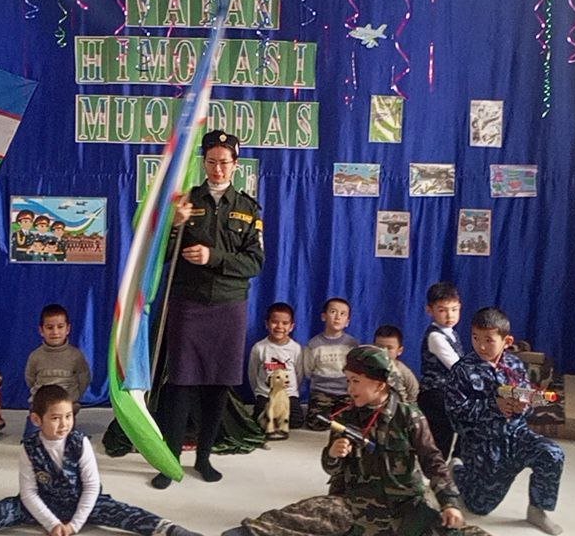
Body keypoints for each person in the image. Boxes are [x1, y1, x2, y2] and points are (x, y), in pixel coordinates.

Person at [219, 346, 472, 536]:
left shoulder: (409, 416)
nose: (350, 388)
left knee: (457, 529)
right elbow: (331, 469)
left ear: (380, 384)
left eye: (356, 381)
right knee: (296, 516)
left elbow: (433, 461)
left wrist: (449, 503)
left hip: (406, 506)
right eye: (348, 380)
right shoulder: (345, 417)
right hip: (354, 503)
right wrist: (332, 454)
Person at [151, 129, 265, 489]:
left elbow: (255, 262)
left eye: (224, 163)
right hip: (189, 301)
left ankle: (203, 457)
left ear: (235, 165)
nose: (218, 169)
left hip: (229, 305)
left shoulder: (248, 208)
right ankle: (170, 461)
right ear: (203, 162)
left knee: (218, 384)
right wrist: (175, 225)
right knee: (180, 383)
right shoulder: (185, 202)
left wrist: (212, 256)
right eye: (212, 162)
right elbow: (160, 256)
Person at [0, 385, 204, 536]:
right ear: (36, 419)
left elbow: (92, 486)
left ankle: (169, 530)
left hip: (84, 502)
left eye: (68, 416)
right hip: (44, 503)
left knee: (124, 512)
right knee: (1, 511)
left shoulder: (79, 442)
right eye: (55, 418)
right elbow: (29, 493)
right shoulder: (29, 447)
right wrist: (51, 523)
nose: (64, 424)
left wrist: (74, 524)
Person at [445, 308, 565, 535]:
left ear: (506, 341)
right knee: (479, 507)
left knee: (552, 453)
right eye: (475, 338)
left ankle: (537, 509)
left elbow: (528, 402)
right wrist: (493, 405)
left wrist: (524, 406)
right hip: (483, 442)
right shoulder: (461, 371)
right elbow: (455, 416)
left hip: (517, 435)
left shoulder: (516, 366)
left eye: (488, 340)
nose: (480, 346)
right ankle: (458, 470)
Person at [24, 304, 91, 435]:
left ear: (68, 329)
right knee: (32, 438)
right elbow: (30, 379)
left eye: (60, 327)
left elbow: (84, 378)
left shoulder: (76, 355)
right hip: (41, 407)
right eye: (50, 327)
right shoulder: (35, 356)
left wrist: (72, 398)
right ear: (41, 330)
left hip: (65, 406)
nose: (55, 332)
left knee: (66, 438)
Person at [418, 282, 464, 459]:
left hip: (448, 392)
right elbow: (456, 366)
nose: (449, 315)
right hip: (435, 393)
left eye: (454, 309)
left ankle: (456, 463)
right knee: (440, 440)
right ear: (429, 310)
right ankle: (437, 470)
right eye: (442, 310)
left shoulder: (452, 333)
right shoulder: (435, 336)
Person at [247, 302, 305, 433]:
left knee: (296, 421)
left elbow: (299, 374)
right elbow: (252, 374)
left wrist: (291, 392)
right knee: (259, 420)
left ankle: (276, 418)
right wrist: (259, 392)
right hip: (266, 394)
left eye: (285, 323)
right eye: (274, 322)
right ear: (267, 324)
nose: (279, 326)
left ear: (291, 327)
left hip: (288, 394)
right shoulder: (259, 348)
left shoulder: (296, 348)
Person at [302, 298, 359, 430]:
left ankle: (335, 417)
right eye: (333, 312)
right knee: (316, 424)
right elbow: (308, 370)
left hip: (345, 392)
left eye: (343, 314)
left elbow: (355, 370)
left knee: (350, 424)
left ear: (347, 322)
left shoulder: (352, 344)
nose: (337, 317)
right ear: (324, 316)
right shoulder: (314, 344)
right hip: (322, 392)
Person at [372, 325, 419, 405]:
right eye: (379, 347)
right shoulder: (364, 368)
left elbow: (413, 395)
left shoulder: (404, 372)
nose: (384, 351)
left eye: (389, 348)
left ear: (399, 351)